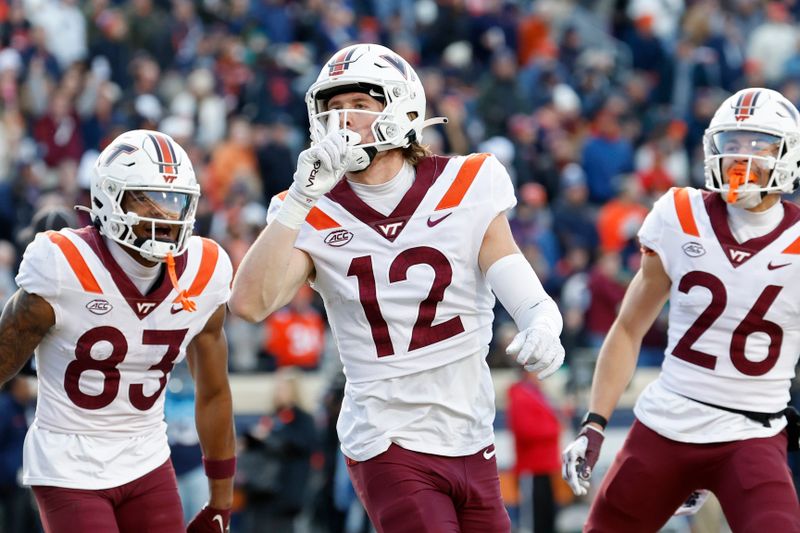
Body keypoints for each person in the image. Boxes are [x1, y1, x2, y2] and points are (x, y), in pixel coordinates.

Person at [229, 43, 566, 533]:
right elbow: (249, 303)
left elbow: (519, 283)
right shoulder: (310, 207)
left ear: (402, 108)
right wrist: (300, 199)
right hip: (388, 439)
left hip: (471, 434)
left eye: (358, 107)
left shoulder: (468, 181)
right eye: (331, 109)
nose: (340, 122)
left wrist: (543, 320)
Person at [561, 87, 800, 532]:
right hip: (665, 426)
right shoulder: (680, 215)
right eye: (731, 144)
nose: (739, 157)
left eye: (756, 144)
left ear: (788, 154)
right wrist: (594, 423)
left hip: (752, 433)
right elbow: (629, 328)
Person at [0, 129, 236, 533]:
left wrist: (221, 500)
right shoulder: (62, 265)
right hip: (67, 460)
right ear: (109, 198)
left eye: (174, 201)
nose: (164, 215)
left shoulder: (205, 271)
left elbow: (214, 392)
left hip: (147, 457)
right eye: (148, 198)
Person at [507, 369, 561, 533]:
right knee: (532, 522)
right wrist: (554, 428)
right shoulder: (520, 396)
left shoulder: (536, 395)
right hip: (531, 468)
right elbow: (525, 430)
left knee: (547, 520)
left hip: (545, 466)